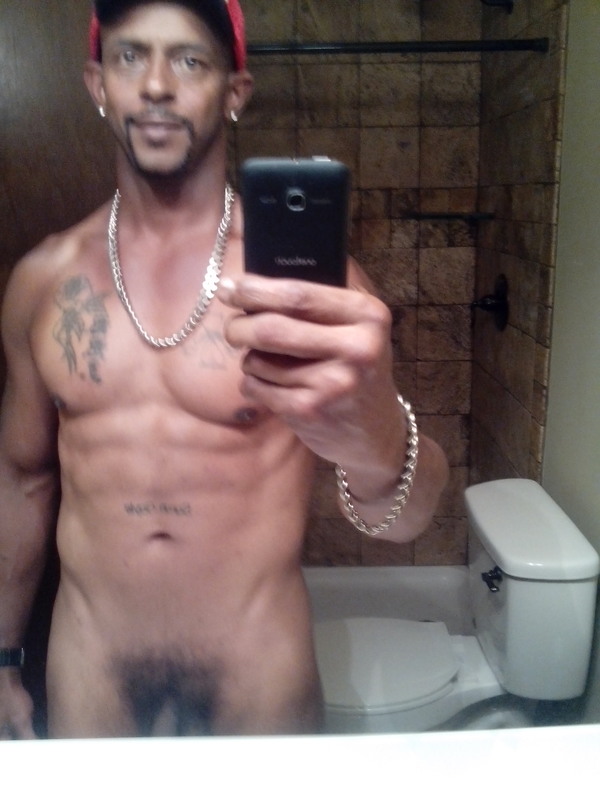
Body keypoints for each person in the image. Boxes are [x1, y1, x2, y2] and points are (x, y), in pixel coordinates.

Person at [0, 0, 448, 739]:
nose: (155, 85)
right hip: (92, 671)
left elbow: (414, 518)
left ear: (234, 92)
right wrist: (5, 658)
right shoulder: (43, 283)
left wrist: (378, 439)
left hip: (257, 672)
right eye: (129, 56)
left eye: (189, 60)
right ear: (97, 84)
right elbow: (21, 481)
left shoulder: (307, 290)